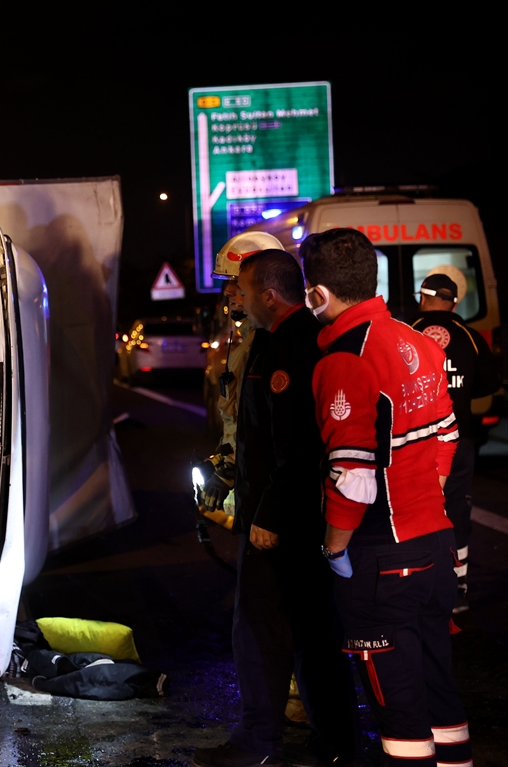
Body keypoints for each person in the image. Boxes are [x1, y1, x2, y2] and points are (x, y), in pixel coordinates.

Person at [303, 229, 471, 767]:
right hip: (435, 546)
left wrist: (333, 550)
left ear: (317, 295)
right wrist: (427, 498)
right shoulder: (418, 339)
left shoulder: (345, 359)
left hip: (383, 559)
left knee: (397, 709)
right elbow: (448, 434)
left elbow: (353, 478)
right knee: (438, 686)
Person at [193, 250, 354, 767]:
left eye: (241, 287)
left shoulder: (288, 348)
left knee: (261, 632)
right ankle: (336, 741)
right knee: (312, 630)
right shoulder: (279, 341)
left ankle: (257, 743)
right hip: (297, 517)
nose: (235, 297)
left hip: (281, 522)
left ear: (269, 293)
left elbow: (297, 445)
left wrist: (267, 514)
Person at [411, 271, 500, 612]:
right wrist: (458, 393)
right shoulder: (471, 336)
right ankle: (458, 580)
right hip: (459, 438)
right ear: (455, 302)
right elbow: (489, 384)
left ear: (423, 297)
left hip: (414, 439)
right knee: (456, 507)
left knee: (413, 506)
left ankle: (416, 576)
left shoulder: (406, 332)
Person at [200, 232, 287, 514]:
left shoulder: (269, 345)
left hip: (268, 494)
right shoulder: (247, 342)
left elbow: (262, 428)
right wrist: (223, 462)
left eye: (236, 283)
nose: (228, 292)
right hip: (254, 485)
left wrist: (228, 471)